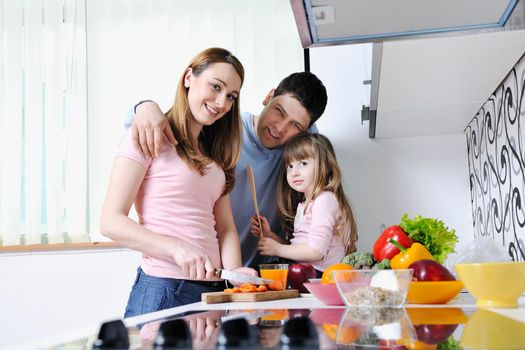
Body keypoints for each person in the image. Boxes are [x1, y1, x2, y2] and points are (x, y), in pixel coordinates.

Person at [100, 47, 256, 318]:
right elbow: (110, 221)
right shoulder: (147, 137)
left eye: (231, 96)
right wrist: (177, 249)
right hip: (165, 289)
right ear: (188, 77)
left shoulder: (214, 158)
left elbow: (226, 227)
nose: (222, 103)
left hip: (213, 293)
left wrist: (236, 275)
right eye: (215, 87)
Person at [128, 71, 328, 269]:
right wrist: (144, 106)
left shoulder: (295, 152)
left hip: (255, 274)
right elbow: (159, 123)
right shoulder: (222, 128)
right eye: (279, 111)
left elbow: (318, 146)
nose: (280, 128)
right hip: (199, 268)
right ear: (268, 97)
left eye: (295, 125)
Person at [251, 133, 357, 276]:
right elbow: (300, 248)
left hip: (317, 274)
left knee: (256, 275)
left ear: (326, 166)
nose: (294, 172)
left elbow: (315, 251)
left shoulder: (325, 200)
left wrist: (277, 249)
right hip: (305, 270)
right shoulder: (306, 203)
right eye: (289, 166)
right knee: (256, 275)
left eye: (303, 163)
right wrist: (271, 236)